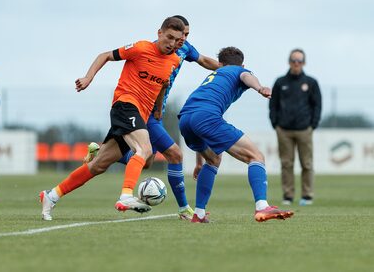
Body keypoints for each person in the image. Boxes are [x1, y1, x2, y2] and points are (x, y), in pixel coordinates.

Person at [39, 17, 185, 220]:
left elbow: (163, 84)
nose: (171, 42)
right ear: (159, 33)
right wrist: (88, 77)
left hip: (140, 113)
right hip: (125, 104)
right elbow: (105, 55)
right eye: (169, 37)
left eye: (177, 39)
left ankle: (51, 195)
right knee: (144, 150)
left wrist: (158, 109)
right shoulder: (141, 48)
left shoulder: (174, 60)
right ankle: (126, 195)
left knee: (99, 165)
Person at [84, 15, 221, 221]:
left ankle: (100, 151)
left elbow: (203, 60)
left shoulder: (184, 49)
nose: (183, 38)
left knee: (146, 161)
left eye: (186, 35)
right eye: (181, 33)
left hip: (156, 111)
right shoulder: (156, 48)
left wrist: (228, 69)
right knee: (175, 154)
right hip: (142, 110)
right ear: (166, 33)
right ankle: (184, 209)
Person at [178, 46, 294, 223]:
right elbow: (246, 77)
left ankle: (199, 214)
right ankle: (262, 206)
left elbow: (198, 121)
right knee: (256, 156)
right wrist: (259, 88)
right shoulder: (239, 70)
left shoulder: (214, 75)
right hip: (206, 116)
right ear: (242, 64)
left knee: (214, 159)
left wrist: (199, 161)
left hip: (185, 118)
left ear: (220, 64)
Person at [269, 49, 322, 206]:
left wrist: (313, 124)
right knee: (286, 164)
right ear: (289, 62)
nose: (296, 63)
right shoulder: (280, 82)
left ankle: (307, 196)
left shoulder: (311, 82)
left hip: (304, 129)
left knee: (306, 164)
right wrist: (275, 123)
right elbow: (273, 105)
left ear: (303, 63)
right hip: (283, 129)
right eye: (293, 60)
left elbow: (317, 105)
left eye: (299, 61)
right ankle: (288, 195)